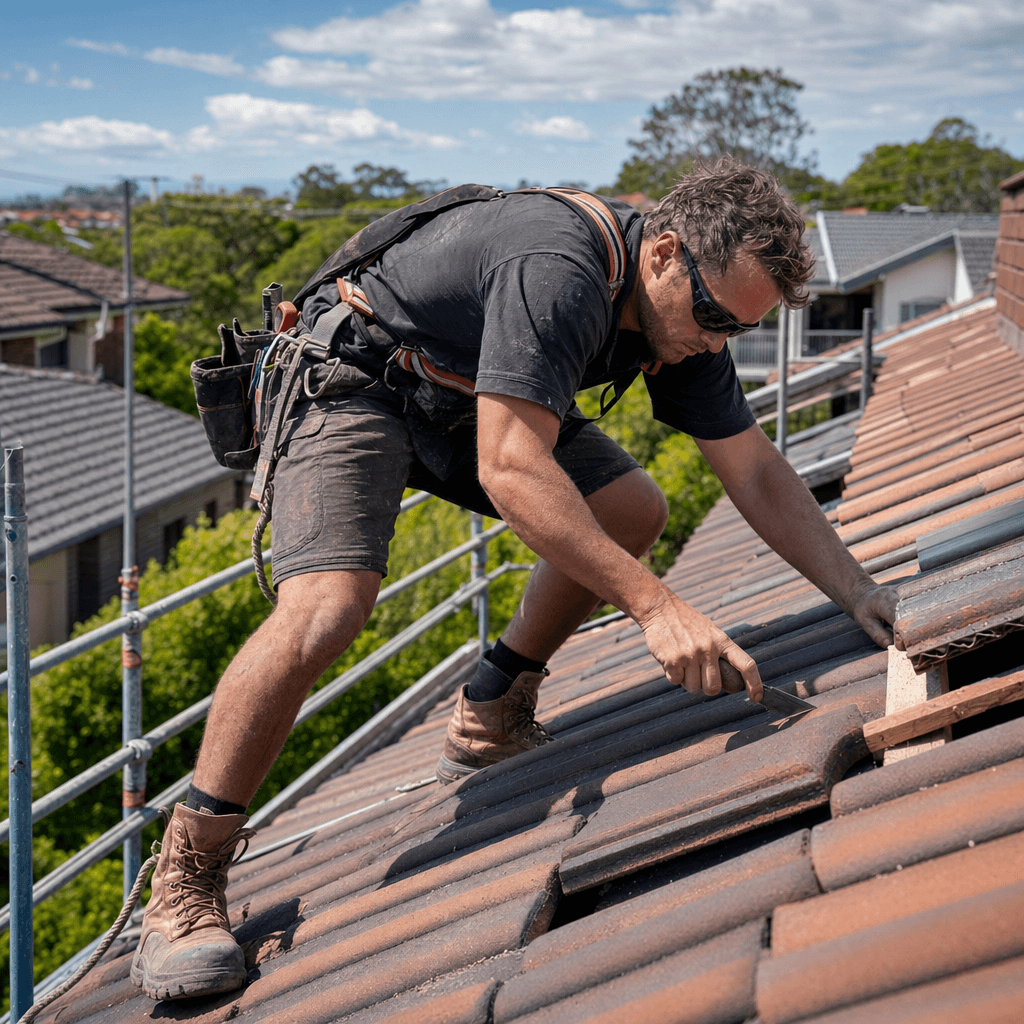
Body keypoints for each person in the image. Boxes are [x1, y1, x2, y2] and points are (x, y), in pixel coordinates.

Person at [131, 158, 896, 1001]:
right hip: (351, 378)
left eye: (736, 330)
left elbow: (752, 470)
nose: (715, 341)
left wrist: (857, 590)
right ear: (666, 252)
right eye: (712, 316)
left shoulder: (687, 314)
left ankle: (492, 708)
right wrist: (654, 605)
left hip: (461, 392)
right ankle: (187, 878)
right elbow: (509, 466)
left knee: (630, 510)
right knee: (329, 608)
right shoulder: (560, 269)